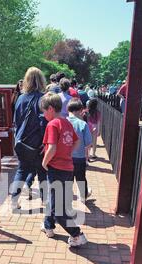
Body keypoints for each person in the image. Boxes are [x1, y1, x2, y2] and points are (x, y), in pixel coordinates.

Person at [40, 92, 88, 248]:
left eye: (44, 110)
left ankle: (77, 234)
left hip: (57, 169)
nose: (43, 114)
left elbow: (52, 147)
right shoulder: (66, 122)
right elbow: (77, 141)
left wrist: (44, 162)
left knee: (58, 210)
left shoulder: (52, 124)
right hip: (68, 168)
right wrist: (67, 153)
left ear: (51, 109)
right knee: (55, 199)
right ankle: (48, 226)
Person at [11, 67, 47, 210]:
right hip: (37, 144)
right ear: (41, 80)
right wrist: (46, 142)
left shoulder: (20, 98)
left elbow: (16, 121)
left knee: (21, 170)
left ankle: (14, 202)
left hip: (21, 143)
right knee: (43, 172)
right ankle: (45, 203)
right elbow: (43, 122)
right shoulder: (43, 99)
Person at [67, 98, 93, 202]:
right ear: (79, 110)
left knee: (68, 179)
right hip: (79, 157)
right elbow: (88, 142)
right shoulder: (83, 124)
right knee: (81, 178)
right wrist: (87, 156)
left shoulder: (62, 122)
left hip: (66, 157)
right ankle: (83, 197)